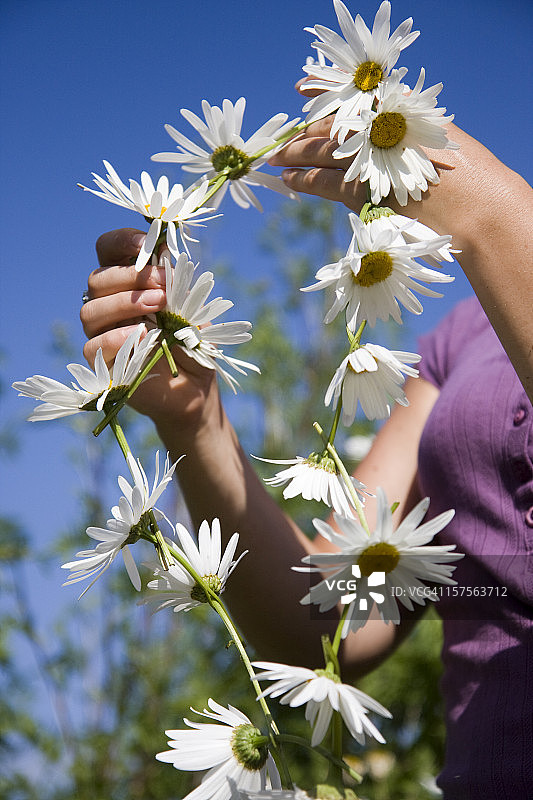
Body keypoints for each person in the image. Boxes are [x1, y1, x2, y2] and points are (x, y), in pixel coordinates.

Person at [80, 96, 533, 797]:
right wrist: (196, 423)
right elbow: (332, 614)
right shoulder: (462, 341)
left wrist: (496, 219)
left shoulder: (505, 238)